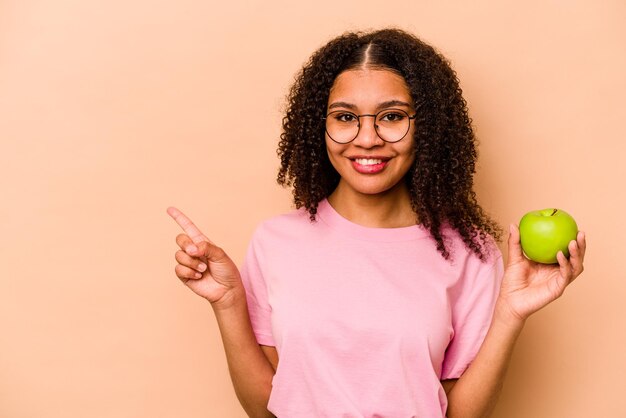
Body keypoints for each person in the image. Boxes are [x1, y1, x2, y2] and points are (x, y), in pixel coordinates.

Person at [167, 28, 586, 418]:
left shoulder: (470, 252)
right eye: (346, 117)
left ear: (429, 127)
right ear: (322, 126)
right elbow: (269, 407)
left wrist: (510, 315)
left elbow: (458, 413)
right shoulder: (275, 241)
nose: (367, 138)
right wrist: (227, 304)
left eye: (392, 116)